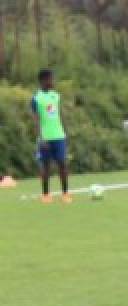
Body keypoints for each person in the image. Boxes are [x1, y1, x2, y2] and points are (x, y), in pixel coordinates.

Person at [31, 68, 70, 204]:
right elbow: (36, 120)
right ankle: (46, 195)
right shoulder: (36, 98)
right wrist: (41, 138)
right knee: (46, 166)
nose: (53, 81)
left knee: (62, 164)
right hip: (45, 138)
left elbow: (60, 114)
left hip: (59, 136)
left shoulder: (56, 96)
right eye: (50, 79)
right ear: (43, 80)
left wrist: (65, 133)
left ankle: (65, 194)